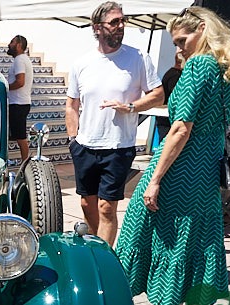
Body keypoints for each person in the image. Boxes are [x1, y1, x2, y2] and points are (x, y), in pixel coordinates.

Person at [115, 6, 230, 305]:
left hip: (180, 166)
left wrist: (155, 178)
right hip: (207, 165)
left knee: (138, 231)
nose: (179, 49)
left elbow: (180, 128)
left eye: (182, 39)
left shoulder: (199, 65)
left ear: (202, 29)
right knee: (188, 239)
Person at [65, 1, 164, 246]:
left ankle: (104, 257)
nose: (121, 26)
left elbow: (158, 94)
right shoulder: (82, 63)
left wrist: (131, 107)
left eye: (122, 21)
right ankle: (95, 245)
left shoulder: (138, 58)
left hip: (118, 146)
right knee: (87, 204)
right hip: (85, 146)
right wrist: (72, 140)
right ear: (97, 28)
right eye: (114, 22)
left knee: (107, 207)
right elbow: (71, 105)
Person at [7, 35, 33, 160]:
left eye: (12, 42)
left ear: (18, 45)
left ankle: (25, 164)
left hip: (18, 104)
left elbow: (20, 82)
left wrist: (5, 88)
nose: (9, 44)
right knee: (18, 136)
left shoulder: (19, 60)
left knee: (21, 137)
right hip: (19, 103)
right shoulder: (23, 59)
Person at [154, 53, 184, 142]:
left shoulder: (172, 73)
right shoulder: (175, 75)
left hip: (166, 117)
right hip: (167, 118)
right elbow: (176, 95)